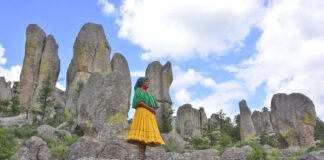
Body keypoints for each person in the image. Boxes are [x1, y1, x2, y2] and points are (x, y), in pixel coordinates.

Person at [126, 77, 165, 159]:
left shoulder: (148, 93)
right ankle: (140, 154)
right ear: (141, 82)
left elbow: (154, 104)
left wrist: (153, 109)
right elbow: (139, 102)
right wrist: (150, 108)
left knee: (146, 135)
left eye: (148, 81)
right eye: (146, 81)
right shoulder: (139, 90)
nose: (148, 83)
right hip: (142, 112)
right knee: (141, 134)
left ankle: (143, 153)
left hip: (149, 114)